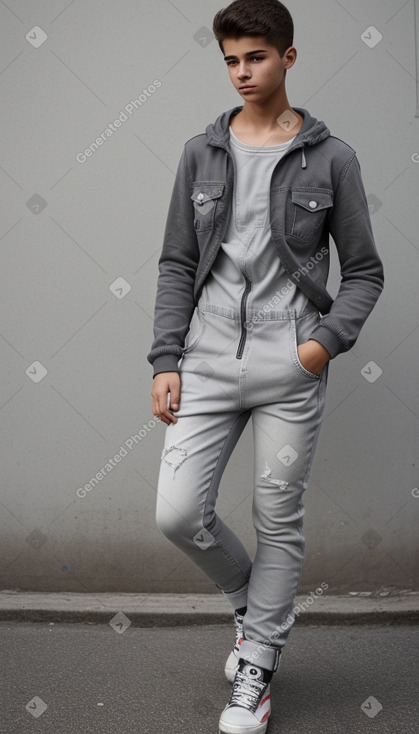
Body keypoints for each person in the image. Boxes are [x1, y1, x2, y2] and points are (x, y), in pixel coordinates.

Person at [147, 1, 384, 732]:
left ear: (287, 56)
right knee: (179, 513)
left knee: (276, 520)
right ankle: (259, 619)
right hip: (208, 359)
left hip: (290, 360)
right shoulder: (201, 152)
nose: (241, 72)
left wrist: (320, 345)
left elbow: (364, 273)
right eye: (229, 59)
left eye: (254, 57)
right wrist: (166, 357)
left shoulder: (331, 157)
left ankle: (256, 672)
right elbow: (177, 262)